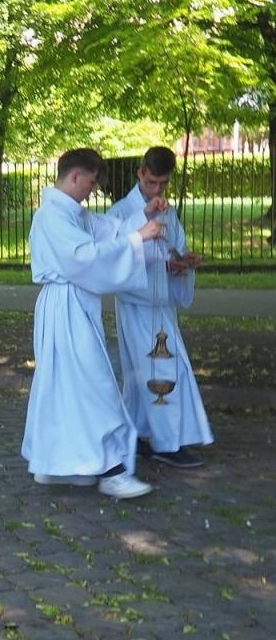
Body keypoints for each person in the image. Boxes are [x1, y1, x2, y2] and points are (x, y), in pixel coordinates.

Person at [22, 148, 164, 500]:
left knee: (67, 387)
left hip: (73, 307)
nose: (92, 190)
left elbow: (104, 230)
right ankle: (112, 471)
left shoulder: (69, 212)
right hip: (66, 308)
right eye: (90, 182)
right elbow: (84, 257)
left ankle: (59, 464)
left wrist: (139, 219)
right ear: (74, 176)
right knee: (94, 383)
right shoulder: (52, 216)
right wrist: (138, 238)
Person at [109, 147, 213, 468]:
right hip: (137, 304)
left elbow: (174, 248)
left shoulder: (167, 211)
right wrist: (161, 265)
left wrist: (182, 262)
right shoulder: (121, 212)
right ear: (141, 173)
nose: (157, 191)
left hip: (161, 304)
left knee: (146, 372)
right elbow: (114, 259)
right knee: (161, 369)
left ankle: (139, 433)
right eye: (152, 182)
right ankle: (167, 444)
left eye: (163, 184)